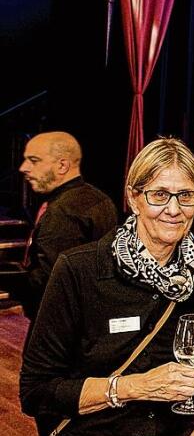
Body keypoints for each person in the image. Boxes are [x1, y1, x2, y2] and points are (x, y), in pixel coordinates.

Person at [20, 138, 194, 436]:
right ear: (133, 197)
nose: (174, 210)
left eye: (186, 196)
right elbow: (37, 391)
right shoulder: (80, 269)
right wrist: (135, 387)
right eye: (159, 195)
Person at [17, 131, 117, 323]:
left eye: (34, 160)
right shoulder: (100, 198)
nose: (23, 168)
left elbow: (50, 283)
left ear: (62, 165)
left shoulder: (62, 211)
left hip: (59, 327)